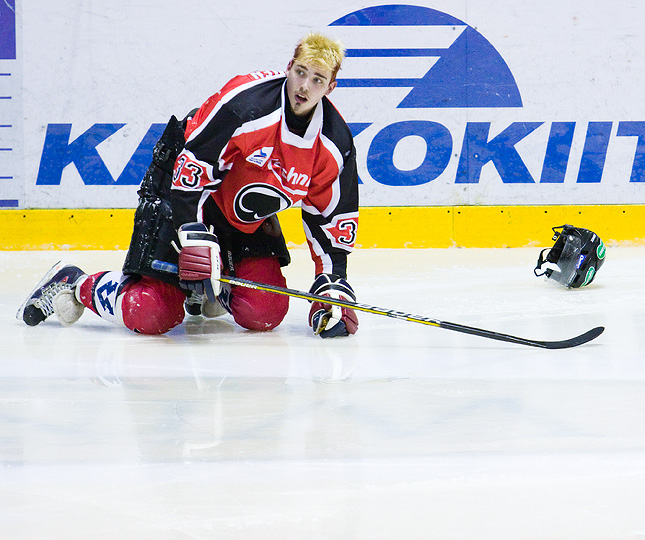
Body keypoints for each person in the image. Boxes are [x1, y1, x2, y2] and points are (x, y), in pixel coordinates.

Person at [17, 32, 359, 338]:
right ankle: (78, 284)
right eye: (300, 72)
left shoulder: (334, 143)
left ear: (330, 87)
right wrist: (192, 233)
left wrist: (331, 284)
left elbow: (329, 217)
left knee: (265, 312)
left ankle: (204, 290)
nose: (304, 86)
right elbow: (190, 170)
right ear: (289, 67)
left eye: (317, 80)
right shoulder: (246, 106)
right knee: (151, 312)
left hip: (240, 210)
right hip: (179, 190)